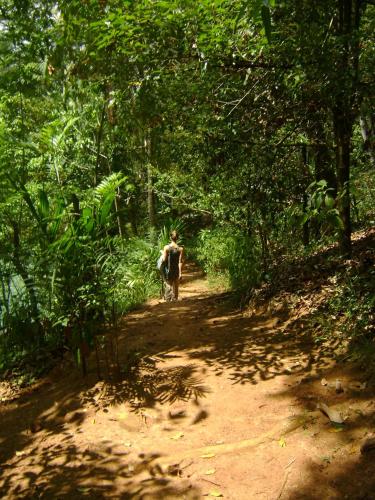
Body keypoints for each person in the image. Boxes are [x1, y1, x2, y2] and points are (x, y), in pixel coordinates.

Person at [162, 230, 184, 301]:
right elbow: (180, 262)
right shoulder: (180, 249)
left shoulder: (166, 248)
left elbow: (164, 259)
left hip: (169, 269)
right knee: (176, 286)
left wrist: (162, 255)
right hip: (176, 269)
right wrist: (180, 273)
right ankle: (175, 300)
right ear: (177, 238)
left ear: (170, 238)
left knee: (168, 285)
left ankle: (168, 301)